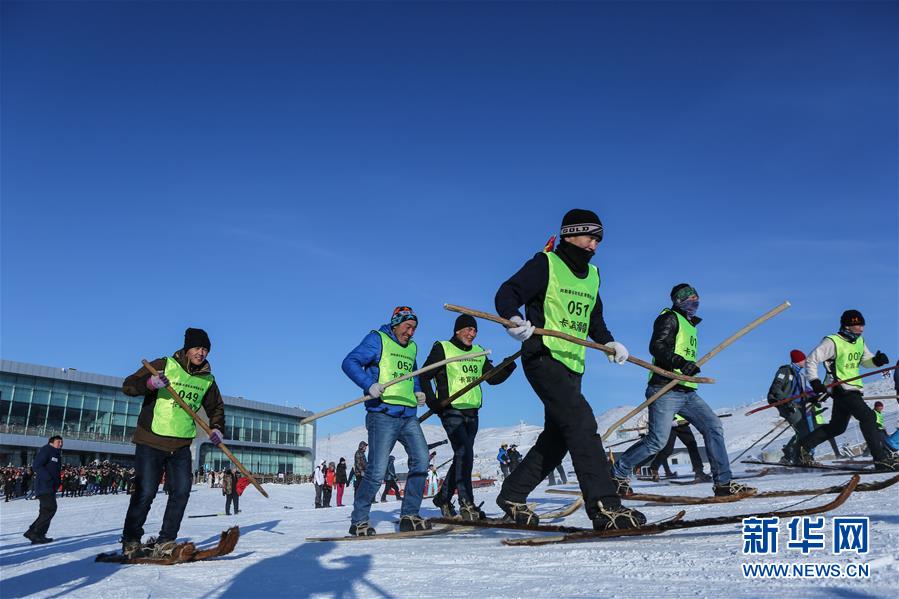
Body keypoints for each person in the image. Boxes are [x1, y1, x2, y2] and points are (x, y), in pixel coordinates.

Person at [493, 208, 645, 530]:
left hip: (573, 364)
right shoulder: (546, 263)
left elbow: (594, 319)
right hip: (543, 356)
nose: (595, 245)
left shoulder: (593, 276)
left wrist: (610, 343)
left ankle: (513, 494)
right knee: (582, 424)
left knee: (558, 438)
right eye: (591, 237)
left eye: (599, 240)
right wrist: (514, 320)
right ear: (571, 234)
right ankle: (606, 506)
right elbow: (508, 293)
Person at [611, 283, 755, 498]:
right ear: (679, 300)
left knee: (714, 427)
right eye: (689, 298)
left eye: (696, 298)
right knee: (657, 441)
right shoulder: (669, 318)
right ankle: (617, 473)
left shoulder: (690, 325)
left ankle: (723, 483)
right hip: (664, 388)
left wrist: (686, 367)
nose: (694, 302)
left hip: (687, 390)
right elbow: (657, 346)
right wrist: (680, 362)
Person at [120, 327, 226, 558]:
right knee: (146, 492)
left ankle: (166, 540)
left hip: (180, 444)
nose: (202, 353)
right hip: (151, 439)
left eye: (205, 349)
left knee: (182, 491)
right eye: (198, 348)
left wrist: (216, 428)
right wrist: (149, 384)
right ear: (187, 348)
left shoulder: (207, 379)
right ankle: (131, 539)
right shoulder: (163, 364)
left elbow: (216, 407)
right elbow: (128, 385)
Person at [341, 306, 431, 535]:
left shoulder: (412, 348)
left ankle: (409, 515)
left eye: (414, 329)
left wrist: (418, 391)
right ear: (395, 324)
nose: (410, 333)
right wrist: (367, 384)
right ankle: (359, 520)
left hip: (408, 415)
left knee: (421, 460)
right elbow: (349, 362)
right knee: (377, 470)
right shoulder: (377, 339)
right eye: (407, 327)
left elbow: (412, 375)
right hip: (382, 414)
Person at [420, 314, 517, 520]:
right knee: (465, 453)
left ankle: (443, 498)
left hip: (472, 413)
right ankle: (467, 503)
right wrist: (433, 402)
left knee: (463, 456)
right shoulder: (443, 348)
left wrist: (507, 367)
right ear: (457, 330)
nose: (472, 334)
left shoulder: (479, 351)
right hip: (451, 410)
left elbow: (491, 378)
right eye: (468, 330)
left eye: (474, 331)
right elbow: (424, 376)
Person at [798, 310, 896, 470]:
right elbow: (811, 360)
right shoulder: (833, 341)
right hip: (840, 387)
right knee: (869, 417)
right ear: (847, 326)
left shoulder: (859, 341)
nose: (861, 328)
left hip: (854, 388)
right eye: (857, 325)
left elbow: (865, 361)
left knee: (838, 427)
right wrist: (815, 381)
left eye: (862, 325)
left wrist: (877, 361)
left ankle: (802, 447)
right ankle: (880, 459)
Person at [767, 350, 817, 466]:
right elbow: (776, 388)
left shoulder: (800, 375)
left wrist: (815, 397)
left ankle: (790, 455)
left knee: (804, 431)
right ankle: (800, 457)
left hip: (797, 405)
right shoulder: (785, 371)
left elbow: (804, 391)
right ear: (798, 360)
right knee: (803, 430)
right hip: (786, 405)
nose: (805, 362)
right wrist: (786, 401)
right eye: (803, 359)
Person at [23, 435, 63, 544]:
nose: (61, 444)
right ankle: (33, 532)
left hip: (50, 487)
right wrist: (48, 478)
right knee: (50, 508)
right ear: (51, 442)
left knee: (45, 511)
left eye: (61, 442)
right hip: (44, 486)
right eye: (58, 441)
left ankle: (38, 535)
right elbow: (36, 465)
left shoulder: (56, 453)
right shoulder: (47, 450)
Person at [647, 414, 710, 482]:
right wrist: (668, 422)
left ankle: (699, 472)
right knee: (667, 450)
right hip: (670, 427)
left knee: (692, 445)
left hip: (683, 424)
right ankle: (654, 468)